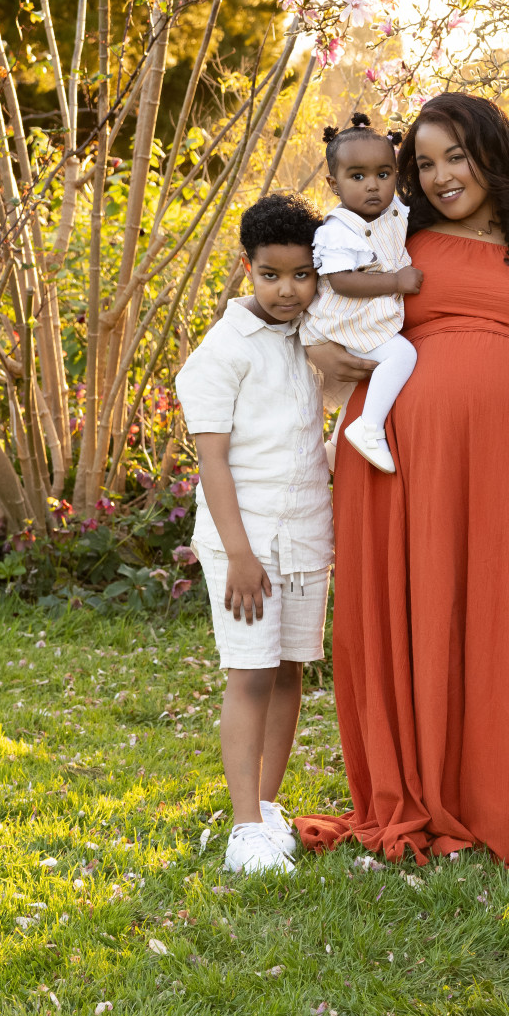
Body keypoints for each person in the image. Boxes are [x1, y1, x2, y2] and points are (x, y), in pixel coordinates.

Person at [299, 93, 509, 871]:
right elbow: (288, 297)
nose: (442, 175)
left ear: (495, 153)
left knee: (502, 615)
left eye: (457, 155)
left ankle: (506, 795)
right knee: (412, 616)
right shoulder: (393, 237)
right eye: (425, 162)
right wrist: (316, 354)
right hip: (399, 462)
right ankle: (414, 791)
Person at [175, 193, 333, 875]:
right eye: (271, 275)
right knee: (250, 675)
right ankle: (243, 829)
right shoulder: (223, 349)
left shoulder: (313, 337)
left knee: (291, 669)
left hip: (305, 534)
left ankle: (269, 809)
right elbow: (213, 458)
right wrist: (238, 554)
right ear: (248, 269)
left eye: (301, 275)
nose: (286, 290)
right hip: (246, 542)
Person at [302, 112, 423, 474]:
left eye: (383, 175)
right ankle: (368, 427)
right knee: (401, 357)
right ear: (333, 183)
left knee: (372, 377)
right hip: (344, 318)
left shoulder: (394, 211)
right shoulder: (337, 230)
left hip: (365, 317)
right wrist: (396, 282)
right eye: (358, 176)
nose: (372, 186)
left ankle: (337, 446)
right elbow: (341, 281)